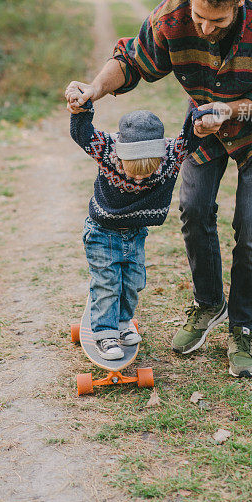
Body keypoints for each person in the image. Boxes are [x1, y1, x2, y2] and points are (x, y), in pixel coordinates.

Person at [65, 0, 252, 378]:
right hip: (202, 128)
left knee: (251, 225)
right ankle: (208, 304)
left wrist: (231, 110)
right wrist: (93, 90)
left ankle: (242, 328)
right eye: (200, 16)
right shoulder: (171, 17)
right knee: (192, 209)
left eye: (219, 20)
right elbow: (132, 61)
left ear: (240, 3)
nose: (207, 28)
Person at [68, 98, 219, 359]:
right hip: (102, 233)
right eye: (133, 170)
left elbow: (190, 138)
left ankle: (122, 324)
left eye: (146, 171)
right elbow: (82, 134)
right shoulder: (108, 151)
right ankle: (105, 334)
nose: (139, 178)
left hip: (135, 235)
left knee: (133, 283)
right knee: (108, 283)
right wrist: (81, 107)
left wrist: (199, 116)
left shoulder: (169, 157)